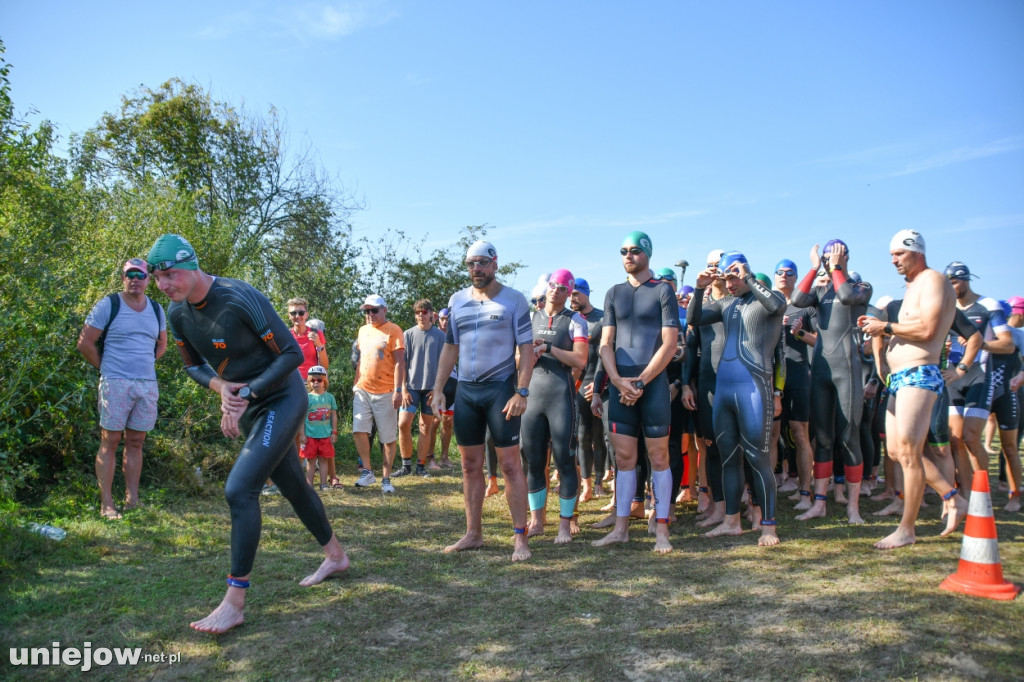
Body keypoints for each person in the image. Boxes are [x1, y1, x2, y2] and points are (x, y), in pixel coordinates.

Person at [146, 234, 348, 634]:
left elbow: (291, 353)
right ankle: (336, 556)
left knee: (239, 490)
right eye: (157, 279)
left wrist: (248, 393)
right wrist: (222, 389)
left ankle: (234, 602)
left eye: (169, 275)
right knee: (293, 484)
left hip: (283, 398)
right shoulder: (178, 314)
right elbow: (192, 365)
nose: (164, 285)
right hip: (248, 404)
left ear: (191, 265)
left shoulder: (238, 297)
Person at [859, 230, 966, 549]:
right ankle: (952, 497)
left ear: (917, 252)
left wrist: (885, 327)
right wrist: (883, 348)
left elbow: (930, 329)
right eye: (891, 255)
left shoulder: (933, 280)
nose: (893, 261)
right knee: (896, 451)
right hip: (901, 377)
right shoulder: (912, 287)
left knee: (909, 450)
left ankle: (907, 529)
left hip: (921, 374)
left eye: (898, 254)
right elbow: (909, 332)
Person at [431, 240, 535, 561]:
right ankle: (473, 534)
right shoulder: (457, 300)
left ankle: (520, 538)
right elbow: (451, 348)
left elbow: (528, 351)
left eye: (481, 263)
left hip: (501, 391)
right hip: (466, 391)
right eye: (470, 264)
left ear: (494, 263)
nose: (476, 269)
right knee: (469, 465)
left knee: (509, 465)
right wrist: (437, 389)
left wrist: (522, 391)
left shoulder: (514, 300)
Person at [688, 252, 786, 546]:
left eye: (734, 277)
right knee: (728, 456)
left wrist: (749, 276)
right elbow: (694, 318)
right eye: (726, 277)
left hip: (754, 387)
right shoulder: (725, 304)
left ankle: (768, 526)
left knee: (757, 458)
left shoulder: (765, 300)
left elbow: (778, 305)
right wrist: (698, 288)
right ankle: (732, 521)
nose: (729, 283)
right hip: (724, 390)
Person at [592, 231, 679, 554]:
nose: (628, 256)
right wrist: (616, 381)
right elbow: (605, 344)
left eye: (635, 251)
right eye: (623, 251)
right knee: (625, 459)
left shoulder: (663, 291)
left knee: (659, 457)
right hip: (621, 385)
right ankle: (621, 528)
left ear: (648, 255)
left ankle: (662, 532)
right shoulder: (613, 293)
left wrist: (640, 382)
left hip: (651, 385)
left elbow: (669, 344)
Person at [77, 258, 168, 520]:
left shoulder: (157, 309)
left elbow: (162, 343)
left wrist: (147, 365)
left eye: (141, 275)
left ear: (149, 280)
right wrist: (107, 369)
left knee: (136, 441)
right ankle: (107, 504)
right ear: (123, 277)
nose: (135, 279)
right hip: (115, 383)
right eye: (130, 274)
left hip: (146, 385)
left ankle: (132, 500)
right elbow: (85, 343)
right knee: (110, 440)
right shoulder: (109, 304)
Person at [792, 240, 872, 525]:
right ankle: (820, 503)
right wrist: (814, 268)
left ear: (845, 256)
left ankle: (853, 508)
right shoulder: (821, 291)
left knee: (849, 439)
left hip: (847, 371)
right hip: (822, 372)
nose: (828, 261)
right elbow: (797, 300)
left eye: (832, 256)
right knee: (823, 440)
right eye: (826, 257)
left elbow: (848, 296)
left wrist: (838, 267)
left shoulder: (861, 288)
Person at [522, 269, 589, 543]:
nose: (556, 291)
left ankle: (564, 524)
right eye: (553, 285)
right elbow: (517, 358)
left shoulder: (575, 320)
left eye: (563, 288)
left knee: (565, 461)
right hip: (533, 396)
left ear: (569, 292)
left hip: (561, 396)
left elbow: (581, 360)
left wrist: (548, 348)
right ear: (546, 287)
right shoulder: (529, 318)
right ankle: (537, 521)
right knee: (535, 462)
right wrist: (529, 354)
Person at [944, 261, 1015, 483]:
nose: (951, 288)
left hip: (980, 374)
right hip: (953, 375)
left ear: (966, 280)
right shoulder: (948, 308)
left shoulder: (988, 305)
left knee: (971, 437)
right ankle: (966, 492)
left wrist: (979, 344)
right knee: (955, 439)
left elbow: (1008, 345)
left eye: (954, 283)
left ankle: (982, 491)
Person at [770, 258, 816, 509]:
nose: (784, 276)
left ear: (796, 278)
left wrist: (800, 333)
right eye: (779, 272)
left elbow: (821, 342)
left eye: (789, 273)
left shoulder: (806, 307)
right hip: (775, 374)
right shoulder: (772, 304)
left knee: (800, 434)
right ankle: (769, 492)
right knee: (773, 434)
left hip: (798, 373)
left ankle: (805, 492)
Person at [353, 294, 406, 494]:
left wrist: (399, 390)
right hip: (363, 389)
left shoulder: (394, 330)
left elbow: (400, 362)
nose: (370, 314)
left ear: (384, 310)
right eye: (367, 311)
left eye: (374, 310)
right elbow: (360, 359)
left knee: (387, 438)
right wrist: (355, 384)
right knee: (359, 430)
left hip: (386, 391)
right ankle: (367, 471)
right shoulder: (363, 330)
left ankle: (386, 478)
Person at [395, 298, 445, 477]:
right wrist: (403, 389)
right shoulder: (408, 334)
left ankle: (420, 466)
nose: (421, 316)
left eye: (424, 312)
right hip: (411, 387)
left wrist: (438, 389)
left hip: (431, 389)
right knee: (403, 423)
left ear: (431, 314)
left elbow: (445, 364)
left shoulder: (440, 336)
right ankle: (405, 465)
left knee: (425, 427)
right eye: (418, 312)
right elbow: (402, 363)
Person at [571, 277, 607, 500]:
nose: (572, 298)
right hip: (579, 384)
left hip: (600, 382)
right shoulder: (570, 320)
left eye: (576, 293)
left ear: (586, 293)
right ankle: (586, 484)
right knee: (583, 436)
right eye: (570, 294)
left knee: (600, 436)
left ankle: (600, 482)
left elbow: (606, 353)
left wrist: (601, 383)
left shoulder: (602, 318)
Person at [300, 365, 338, 490]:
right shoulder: (307, 398)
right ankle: (309, 485)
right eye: (313, 380)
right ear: (309, 382)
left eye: (319, 380)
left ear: (324, 381)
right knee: (310, 461)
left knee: (323, 460)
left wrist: (334, 432)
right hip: (310, 436)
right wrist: (302, 434)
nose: (316, 383)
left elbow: (333, 415)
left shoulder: (330, 397)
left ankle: (323, 484)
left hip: (325, 435)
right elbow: (302, 418)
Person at [434, 308, 457, 469]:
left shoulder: (456, 335)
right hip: (435, 382)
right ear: (437, 319)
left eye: (448, 318)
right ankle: (429, 457)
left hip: (453, 381)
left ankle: (444, 457)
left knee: (448, 422)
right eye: (442, 318)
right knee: (433, 421)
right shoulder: (433, 334)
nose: (445, 321)